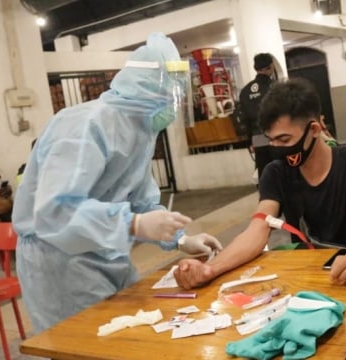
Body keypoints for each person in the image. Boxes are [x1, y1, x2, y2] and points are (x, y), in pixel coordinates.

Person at [12, 33, 223, 333]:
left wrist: (179, 239)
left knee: (134, 331)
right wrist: (133, 224)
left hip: (106, 253)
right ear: (146, 88)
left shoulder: (140, 127)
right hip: (61, 260)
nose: (172, 108)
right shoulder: (85, 125)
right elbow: (55, 212)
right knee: (90, 344)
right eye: (168, 97)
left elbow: (141, 200)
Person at [174, 78, 346, 290]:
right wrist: (210, 269)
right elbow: (257, 231)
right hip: (315, 285)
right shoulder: (276, 173)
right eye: (271, 140)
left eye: (284, 139)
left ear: (314, 130)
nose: (277, 148)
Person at [238, 53, 275, 180]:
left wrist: (249, 141)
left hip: (257, 140)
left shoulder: (245, 91)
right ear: (270, 66)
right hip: (277, 137)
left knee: (264, 174)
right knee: (280, 173)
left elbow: (243, 119)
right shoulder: (275, 87)